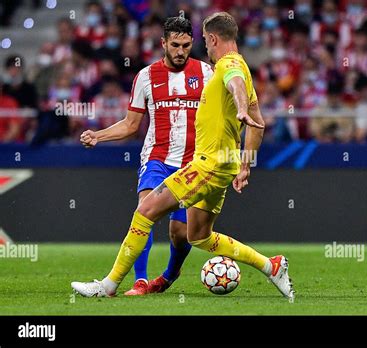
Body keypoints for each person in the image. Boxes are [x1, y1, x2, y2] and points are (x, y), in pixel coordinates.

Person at [71, 12, 294, 300]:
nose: (194, 49)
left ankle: (108, 285)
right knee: (198, 234)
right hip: (214, 164)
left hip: (205, 164)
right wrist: (245, 164)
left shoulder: (225, 66)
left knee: (145, 211)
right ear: (164, 43)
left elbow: (235, 84)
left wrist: (239, 106)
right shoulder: (238, 67)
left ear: (212, 39)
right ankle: (271, 266)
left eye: (197, 43)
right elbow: (258, 123)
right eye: (175, 45)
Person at [76, 17, 213, 296]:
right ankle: (139, 280)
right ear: (163, 43)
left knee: (180, 233)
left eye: (186, 45)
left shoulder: (208, 74)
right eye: (174, 45)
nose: (180, 51)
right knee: (144, 211)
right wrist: (98, 136)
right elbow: (130, 125)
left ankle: (170, 274)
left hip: (193, 164)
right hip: (157, 159)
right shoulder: (146, 77)